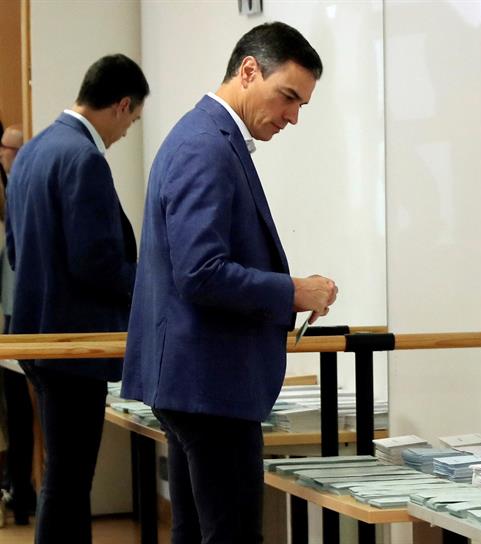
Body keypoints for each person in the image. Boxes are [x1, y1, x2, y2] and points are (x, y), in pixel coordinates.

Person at [122, 21, 337, 544]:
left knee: (198, 531)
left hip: (196, 382)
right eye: (288, 97)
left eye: (302, 105)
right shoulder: (208, 145)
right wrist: (294, 291)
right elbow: (200, 272)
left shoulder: (203, 136)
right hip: (209, 385)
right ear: (248, 71)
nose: (292, 116)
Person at [5, 54, 148, 543]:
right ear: (122, 104)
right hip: (75, 343)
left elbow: (14, 251)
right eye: (131, 120)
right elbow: (97, 262)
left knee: (60, 478)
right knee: (69, 482)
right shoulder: (84, 157)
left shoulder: (32, 152)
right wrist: (149, 288)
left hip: (35, 340)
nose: (126, 131)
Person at [0, 123, 36, 526]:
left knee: (22, 412)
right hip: (9, 312)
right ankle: (16, 488)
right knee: (11, 412)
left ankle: (21, 490)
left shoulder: (19, 188)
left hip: (16, 311)